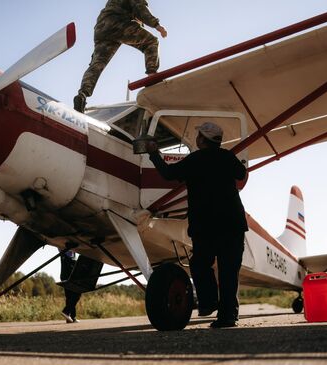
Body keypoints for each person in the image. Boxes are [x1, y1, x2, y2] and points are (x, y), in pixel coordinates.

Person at [145, 122, 248, 328]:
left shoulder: (195, 160)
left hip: (206, 225)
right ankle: (228, 317)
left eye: (198, 136)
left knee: (200, 264)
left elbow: (168, 173)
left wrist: (154, 153)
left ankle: (209, 302)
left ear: (202, 139)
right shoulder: (227, 157)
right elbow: (241, 174)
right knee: (228, 271)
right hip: (232, 224)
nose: (197, 139)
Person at [74, 0, 167, 113]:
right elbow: (140, 8)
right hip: (118, 23)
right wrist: (156, 25)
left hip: (102, 27)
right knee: (151, 42)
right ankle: (152, 75)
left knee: (97, 64)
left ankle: (82, 95)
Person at [60, 250, 82, 323]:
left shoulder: (63, 248)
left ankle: (71, 318)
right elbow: (71, 260)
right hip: (70, 274)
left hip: (64, 274)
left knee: (69, 296)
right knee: (77, 293)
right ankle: (66, 311)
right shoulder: (68, 249)